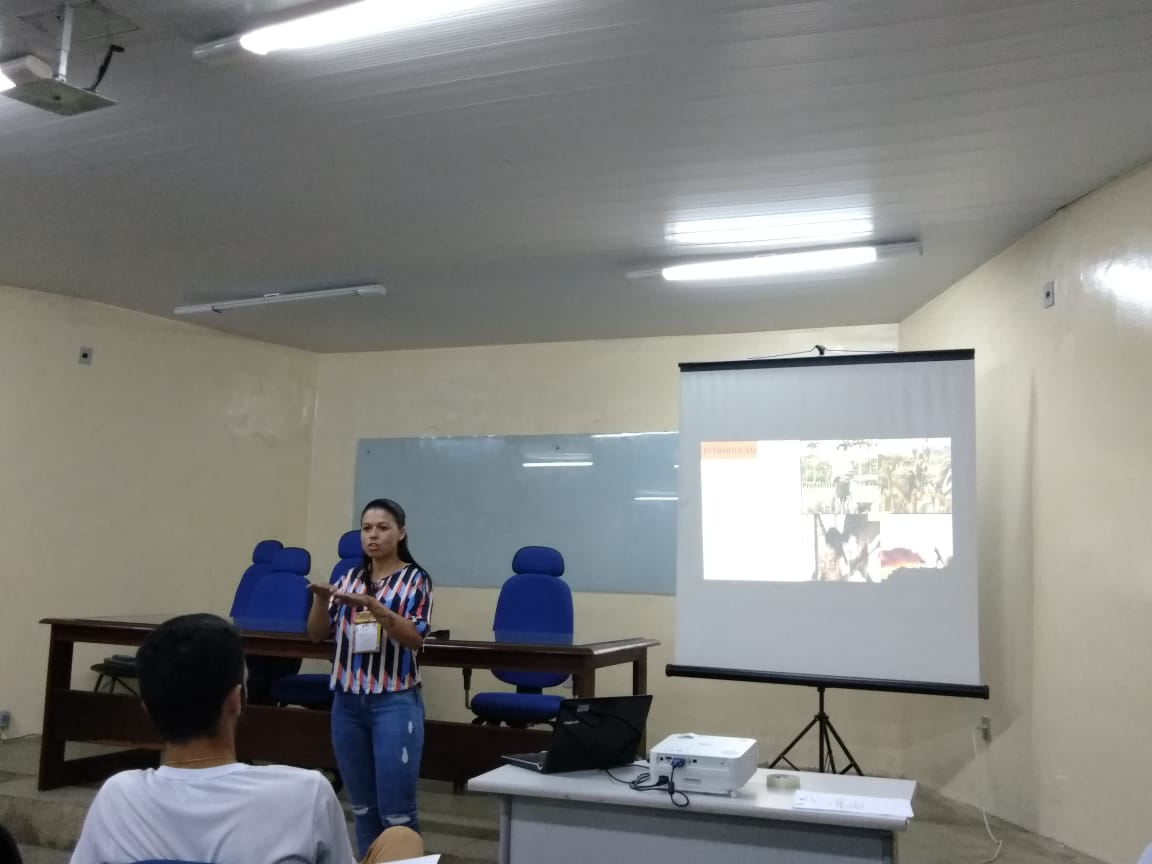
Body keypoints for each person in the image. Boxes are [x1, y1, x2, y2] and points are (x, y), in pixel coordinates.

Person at [69, 613, 426, 864]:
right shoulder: (304, 792)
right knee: (402, 840)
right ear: (236, 701)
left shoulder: (117, 797)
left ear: (147, 707)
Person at [307, 498, 433, 858]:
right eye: (366, 528)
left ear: (401, 533)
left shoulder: (415, 580)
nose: (373, 536)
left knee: (397, 814)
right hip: (347, 702)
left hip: (393, 700)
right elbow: (317, 635)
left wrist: (376, 608)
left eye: (382, 528)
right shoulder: (347, 578)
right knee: (362, 809)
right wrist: (320, 600)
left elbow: (414, 638)